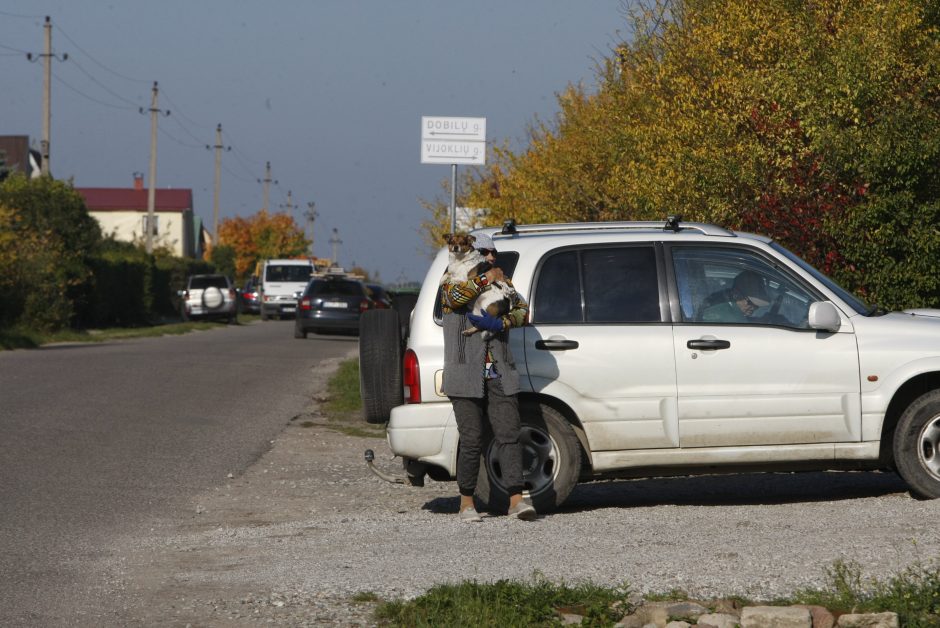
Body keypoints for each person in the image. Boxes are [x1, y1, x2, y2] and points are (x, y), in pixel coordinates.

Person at [439, 232, 536, 522]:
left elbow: (522, 312)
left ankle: (516, 501)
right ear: (472, 254)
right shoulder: (449, 280)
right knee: (471, 439)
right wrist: (485, 277)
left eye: (493, 253)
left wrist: (501, 321)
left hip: (499, 371)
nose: (492, 258)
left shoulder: (500, 280)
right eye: (485, 252)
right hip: (463, 372)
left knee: (508, 435)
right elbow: (456, 299)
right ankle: (466, 503)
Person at [699, 270, 771, 323]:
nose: (753, 308)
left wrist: (761, 320)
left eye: (757, 306)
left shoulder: (731, 308)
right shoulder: (716, 310)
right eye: (750, 303)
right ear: (736, 295)